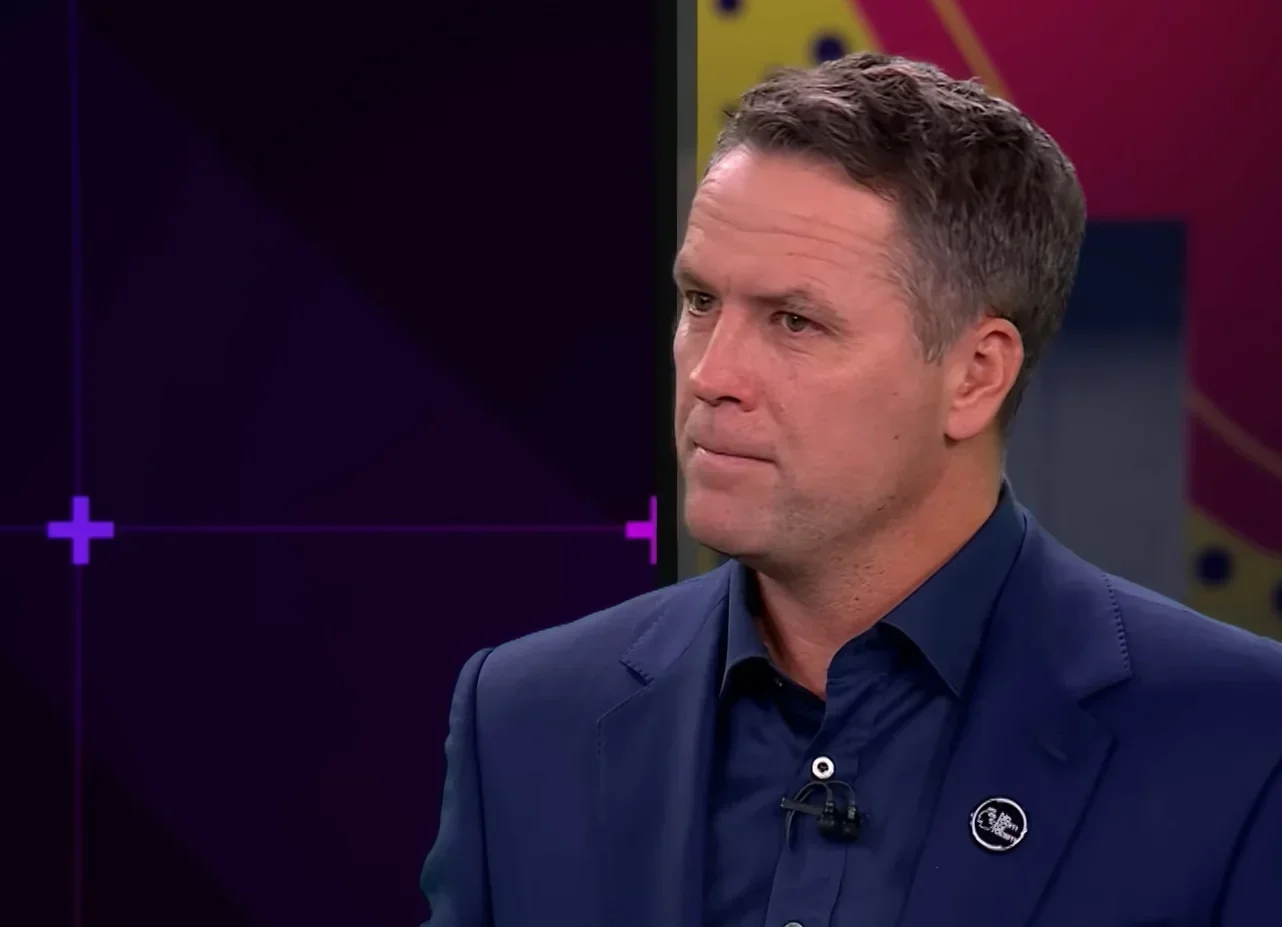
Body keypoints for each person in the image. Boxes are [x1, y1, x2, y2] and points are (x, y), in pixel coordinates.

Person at [419, 53, 1282, 927]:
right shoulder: (522, 719)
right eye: (699, 301)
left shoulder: (1244, 743)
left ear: (975, 375)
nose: (712, 375)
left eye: (795, 321)